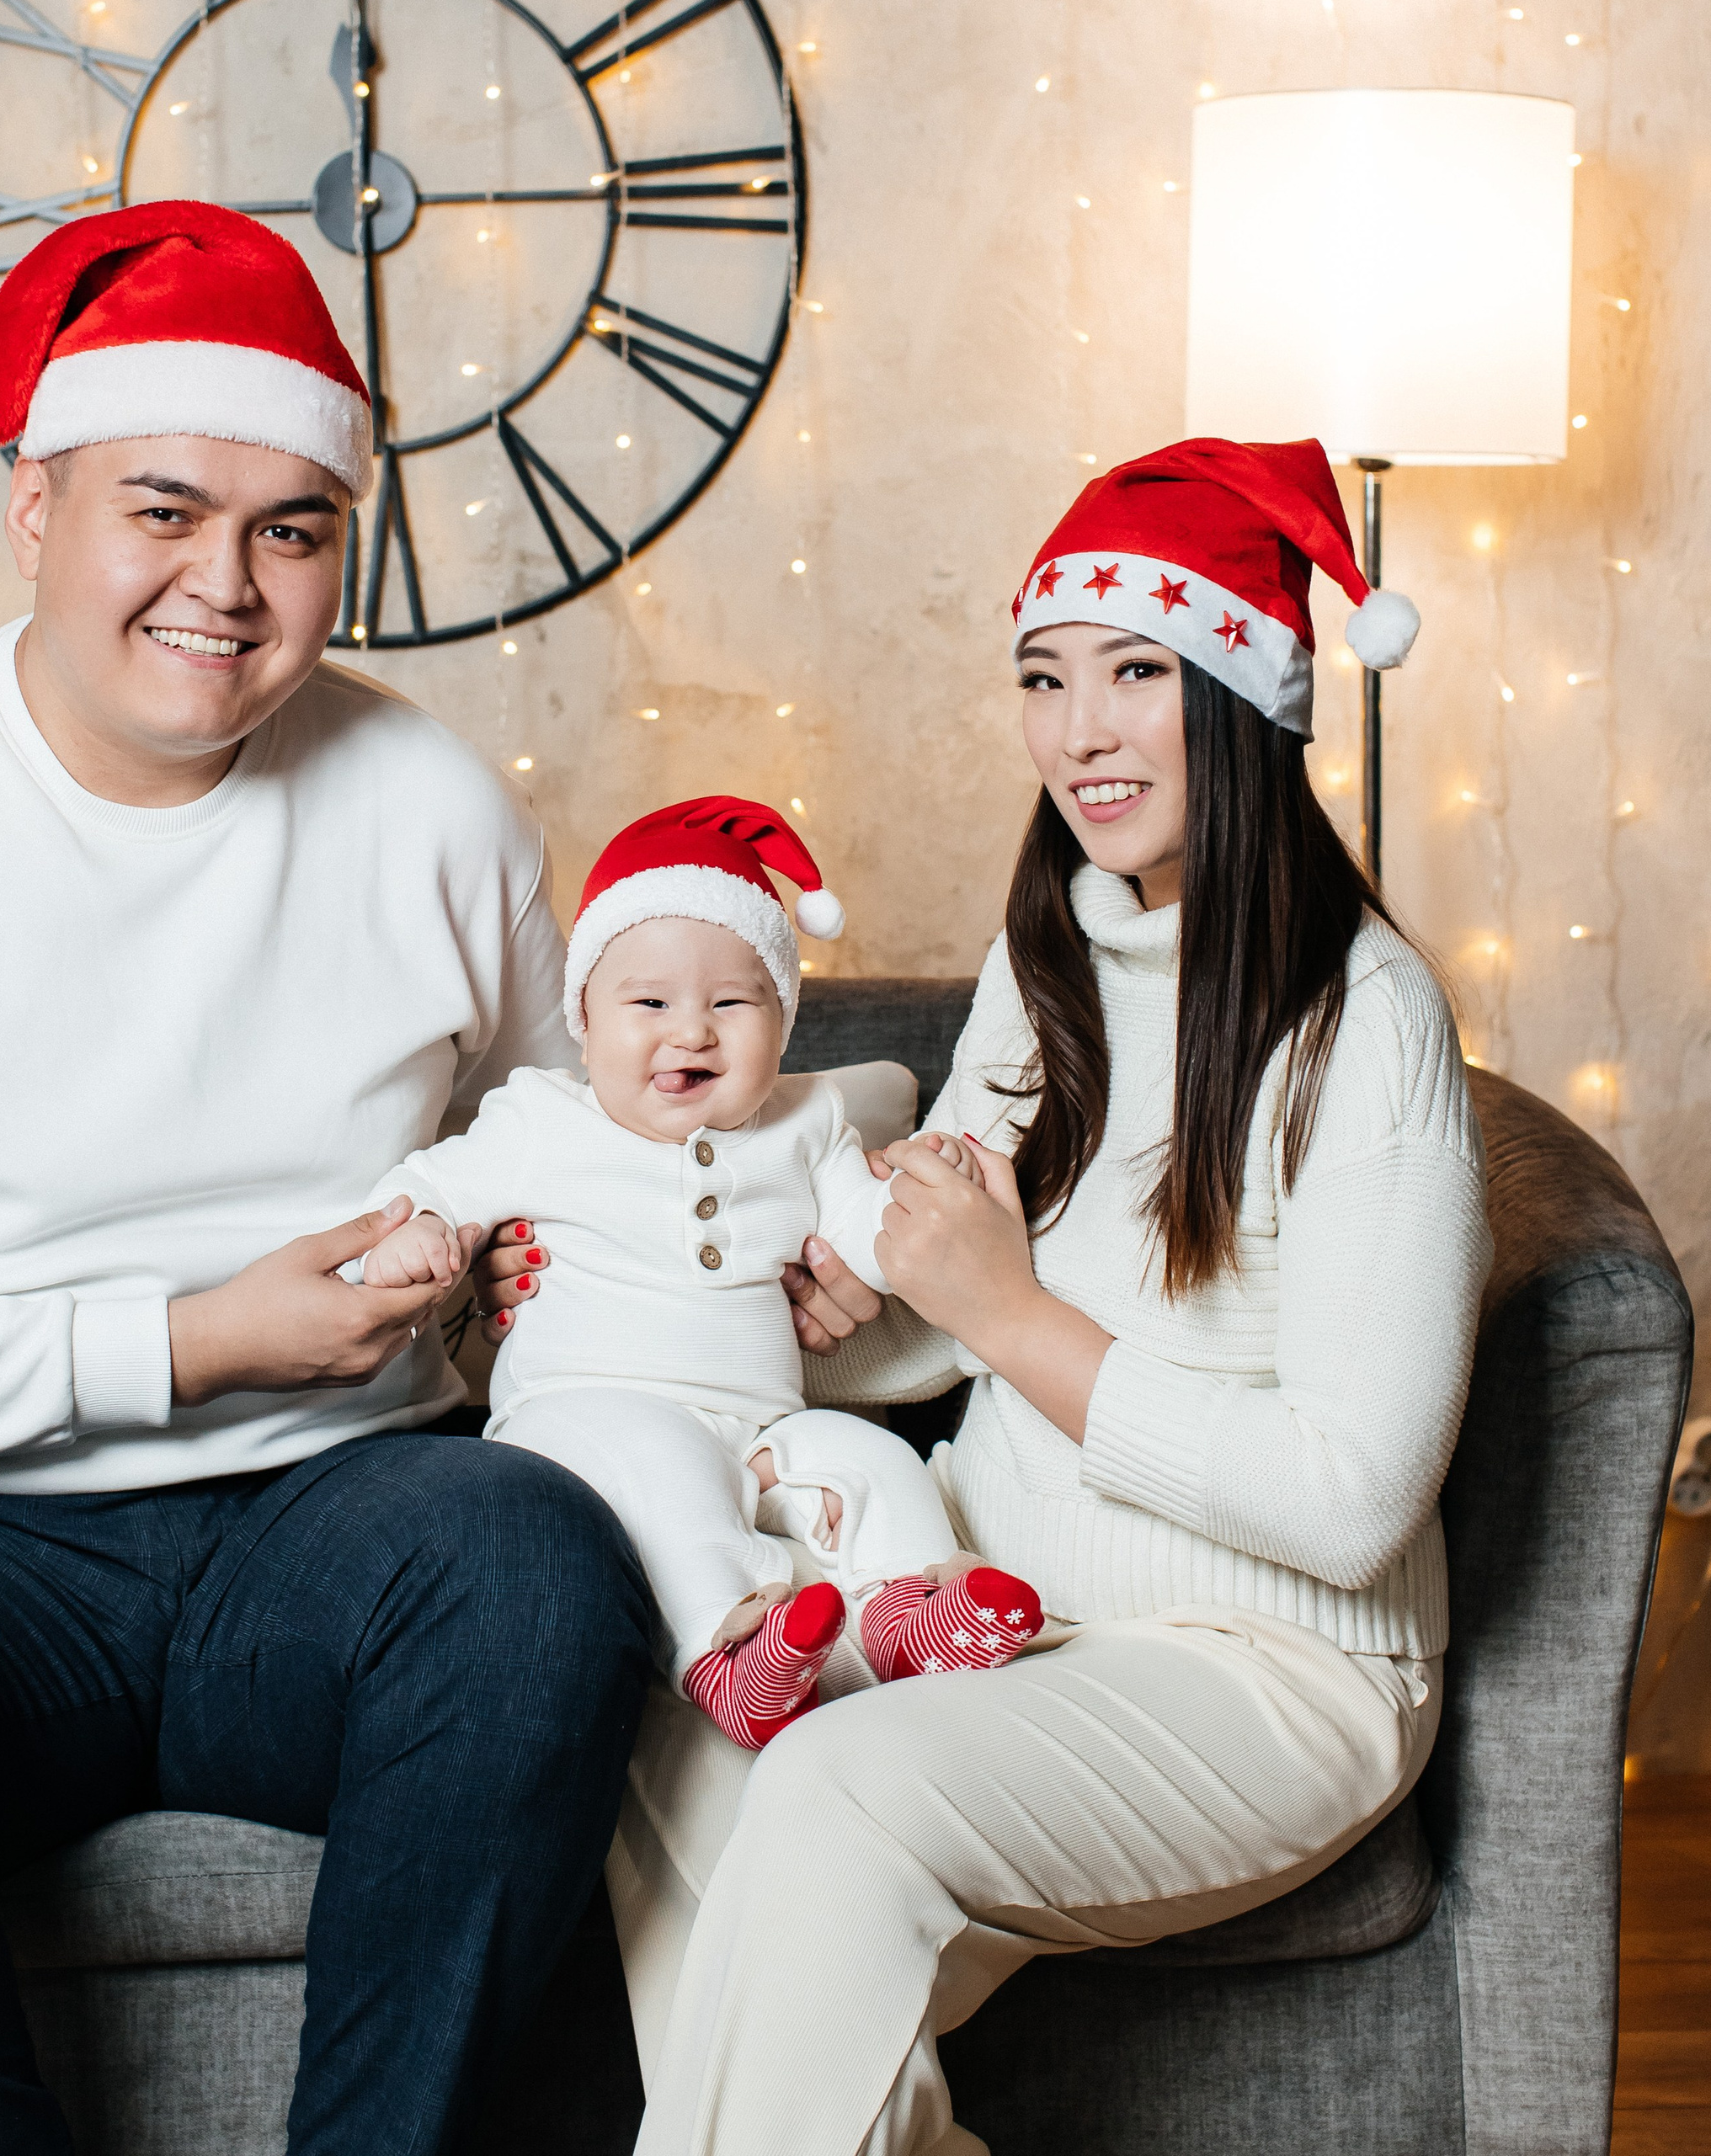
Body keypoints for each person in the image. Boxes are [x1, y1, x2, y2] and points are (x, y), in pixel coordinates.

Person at [0, 200, 665, 2156]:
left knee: (534, 1568)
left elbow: (559, 1162)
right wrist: (186, 1340)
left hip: (334, 1523)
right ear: (30, 511)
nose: (226, 585)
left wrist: (704, 1258)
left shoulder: (426, 804)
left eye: (292, 527)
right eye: (161, 510)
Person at [487, 435, 1493, 2155]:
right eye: (1042, 677)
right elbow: (917, 1297)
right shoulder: (1054, 958)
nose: (1077, 732)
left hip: (1263, 1663)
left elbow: (1348, 1498)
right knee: (664, 1701)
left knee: (830, 1786)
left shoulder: (1363, 1024)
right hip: (1000, 1591)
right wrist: (689, 1272)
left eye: (1133, 675)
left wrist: (1001, 1309)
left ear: (1244, 699)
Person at [349, 794, 1044, 1749]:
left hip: (762, 1421)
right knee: (666, 1470)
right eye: (648, 1003)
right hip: (586, 1411)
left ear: (783, 1022)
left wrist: (929, 1196)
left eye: (731, 1002)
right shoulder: (542, 1117)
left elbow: (872, 1239)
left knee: (871, 1459)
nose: (691, 1032)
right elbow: (435, 1182)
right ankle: (730, 1650)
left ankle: (907, 1613)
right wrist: (421, 1231)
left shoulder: (809, 1123)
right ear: (583, 1021)